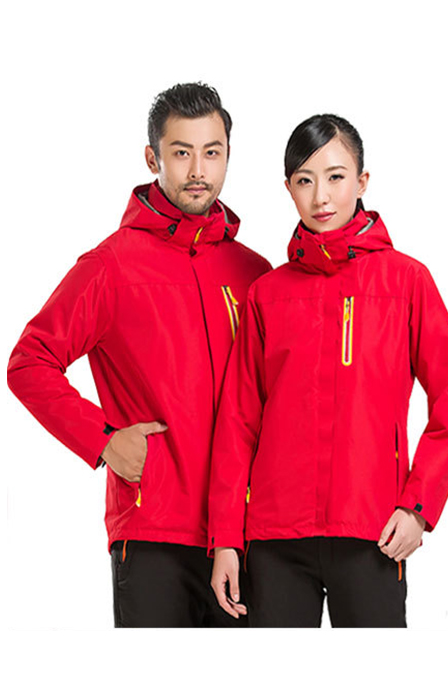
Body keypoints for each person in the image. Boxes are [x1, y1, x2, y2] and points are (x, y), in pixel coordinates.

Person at [7, 82, 271, 628]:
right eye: (181, 152)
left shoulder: (254, 272)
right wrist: (103, 439)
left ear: (228, 156)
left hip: (245, 531)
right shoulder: (111, 266)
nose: (197, 169)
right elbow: (29, 361)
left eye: (212, 152)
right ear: (153, 158)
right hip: (153, 533)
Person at [208, 113, 448, 627]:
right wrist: (225, 540)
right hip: (276, 537)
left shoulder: (406, 282)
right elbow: (238, 421)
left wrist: (418, 507)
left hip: (374, 531)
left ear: (362, 180)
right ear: (288, 188)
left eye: (335, 177)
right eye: (305, 181)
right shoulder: (267, 294)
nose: (321, 197)